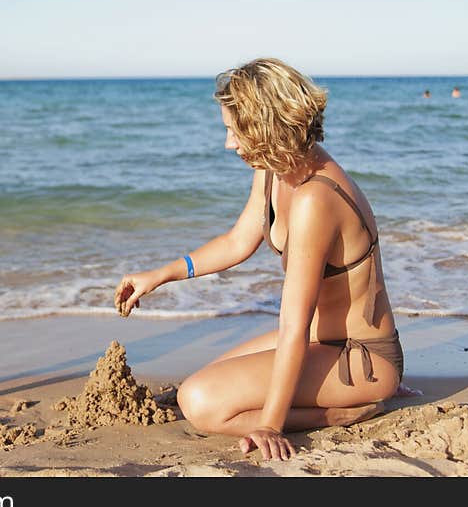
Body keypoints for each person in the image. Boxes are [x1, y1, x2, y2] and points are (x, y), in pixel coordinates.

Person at [114, 57, 405, 461]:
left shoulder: (315, 200)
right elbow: (238, 241)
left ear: (265, 126)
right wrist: (161, 274)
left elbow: (293, 326)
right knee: (201, 381)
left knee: (199, 400)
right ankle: (324, 403)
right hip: (325, 339)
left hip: (361, 358)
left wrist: (270, 423)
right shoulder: (274, 169)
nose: (228, 144)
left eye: (234, 131)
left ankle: (340, 412)